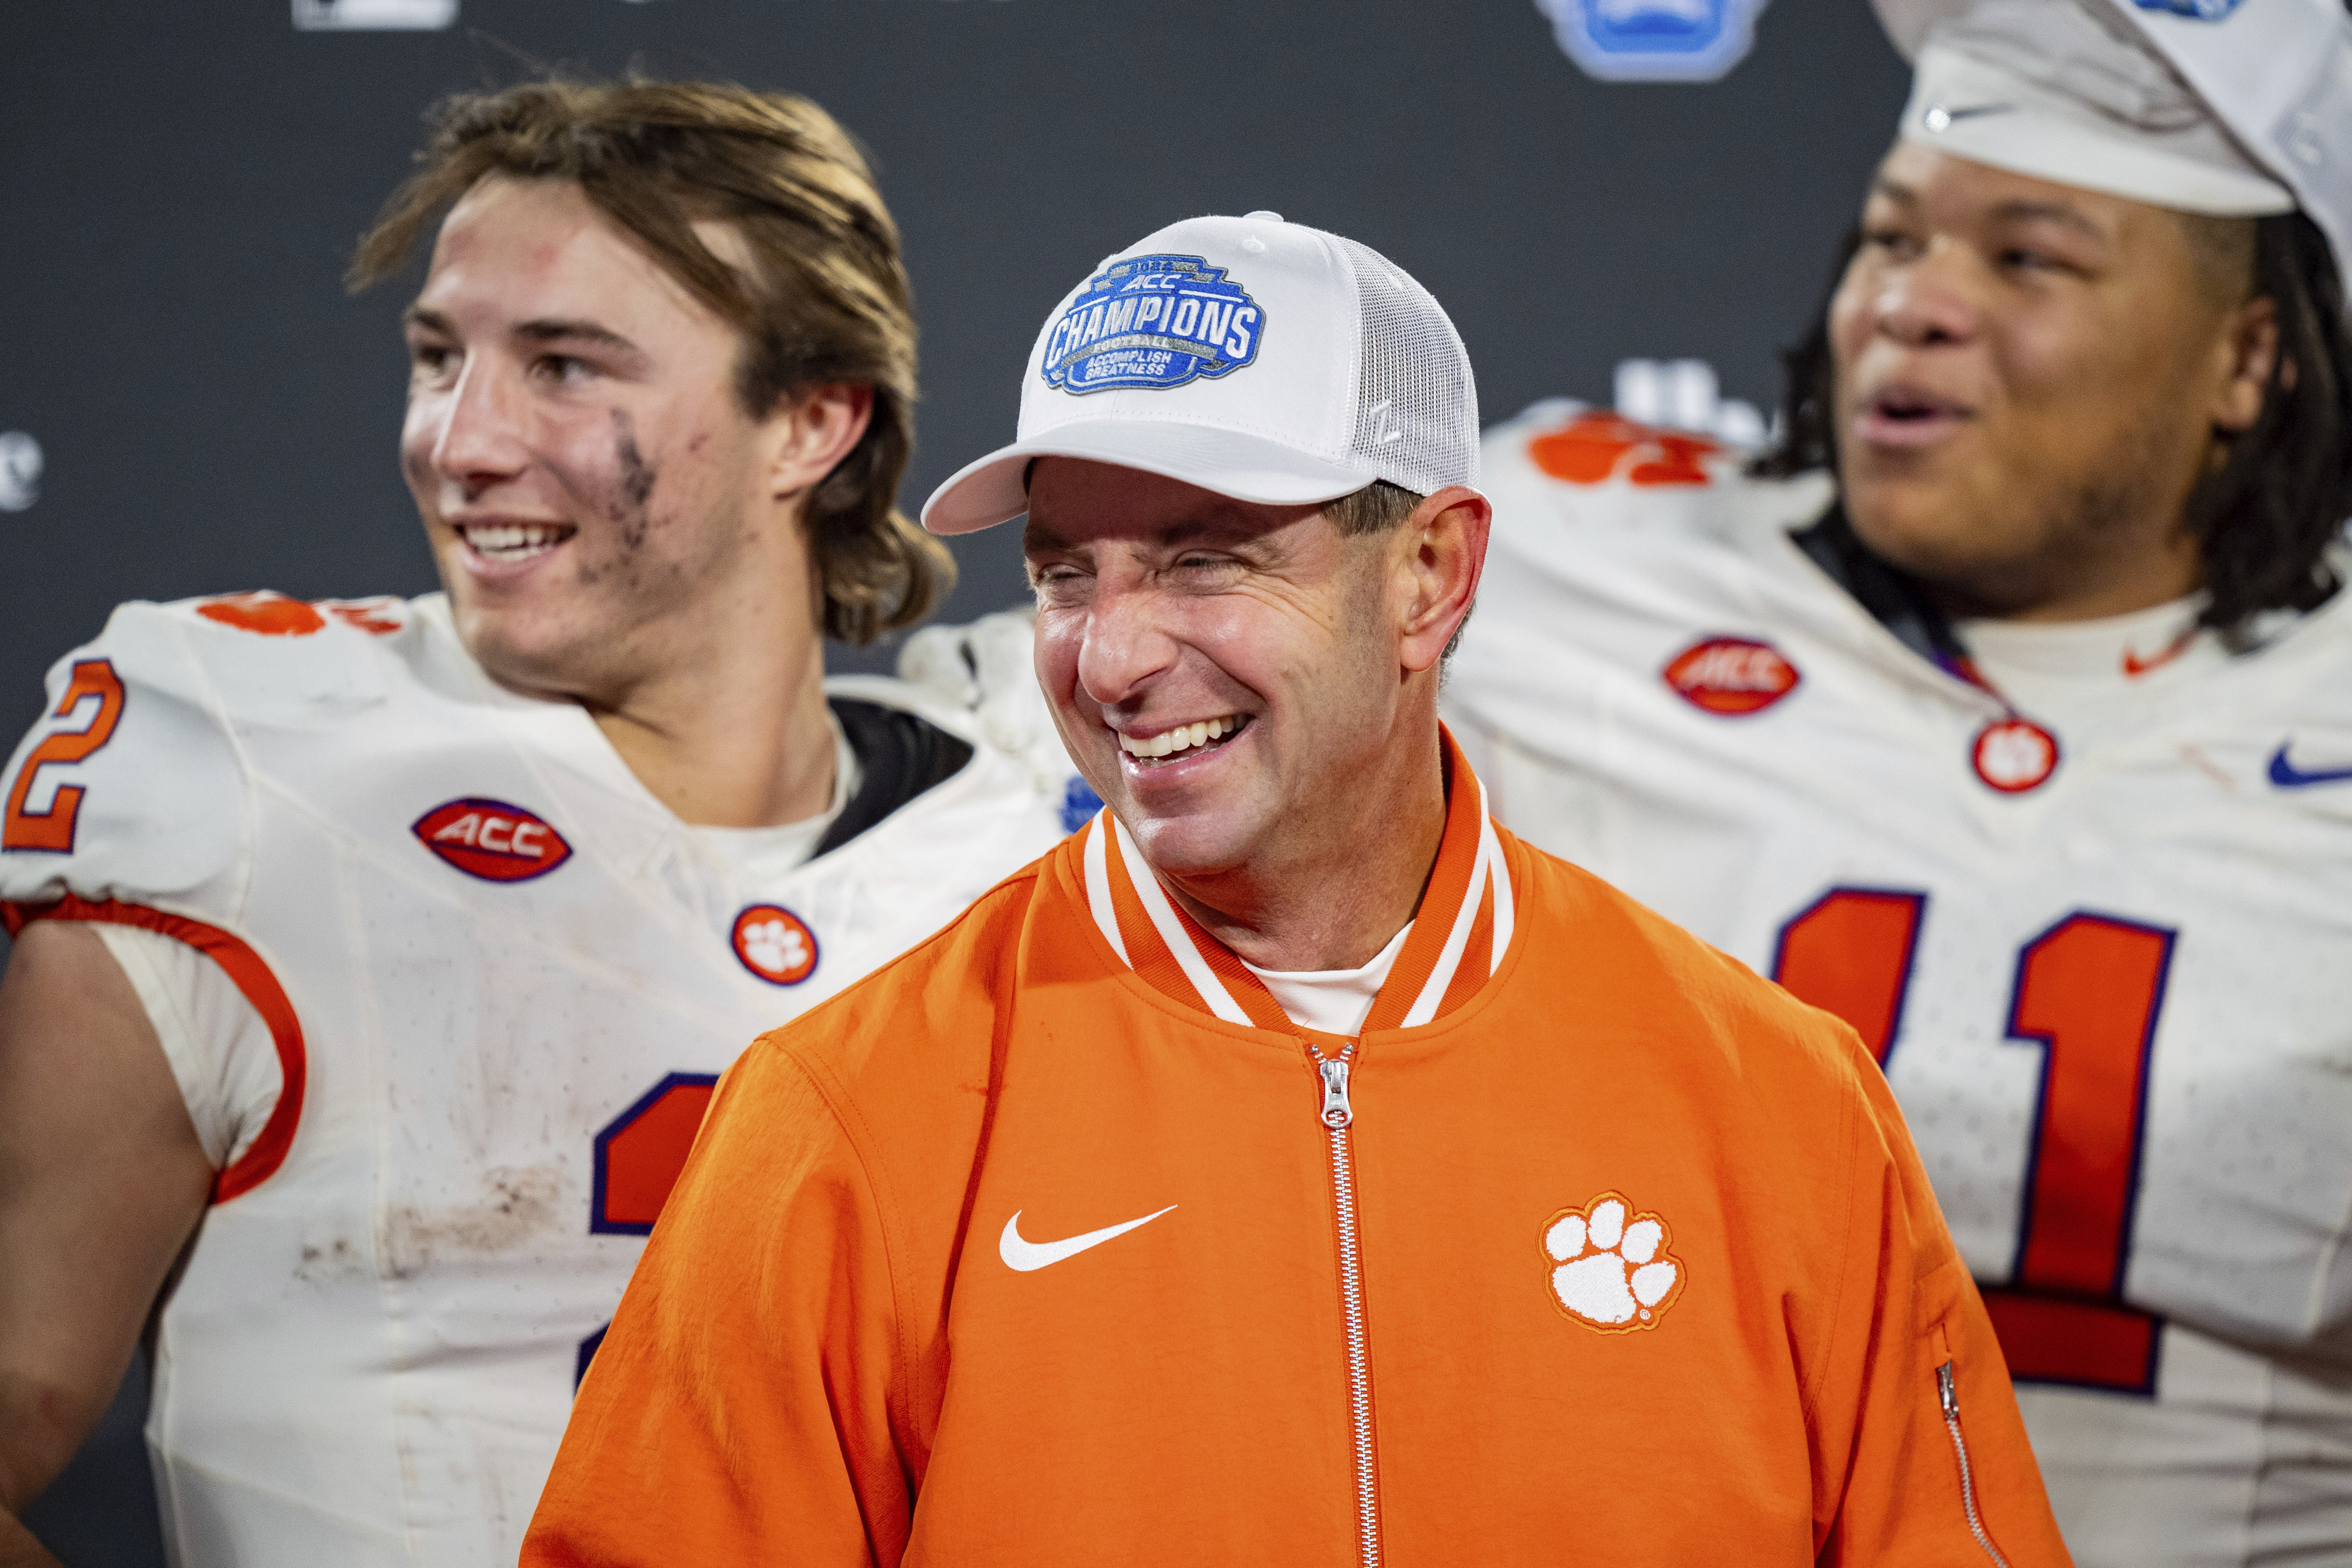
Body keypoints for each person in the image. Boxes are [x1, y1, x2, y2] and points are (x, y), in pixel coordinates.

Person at [521, 212, 2069, 1566]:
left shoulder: (1780, 1107)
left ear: (1431, 578)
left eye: (1206, 561)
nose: (1114, 658)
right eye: (1068, 573)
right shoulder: (848, 1119)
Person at [0, 80, 1081, 1568]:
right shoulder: (254, 776)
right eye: (438, 358)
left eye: (564, 367)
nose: (460, 441)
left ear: (813, 421)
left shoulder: (1044, 839)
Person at [1441, 1, 2352, 1563]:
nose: (1911, 305)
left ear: (2247, 356)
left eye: (2031, 257)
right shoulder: (1560, 563)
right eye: (1890, 237)